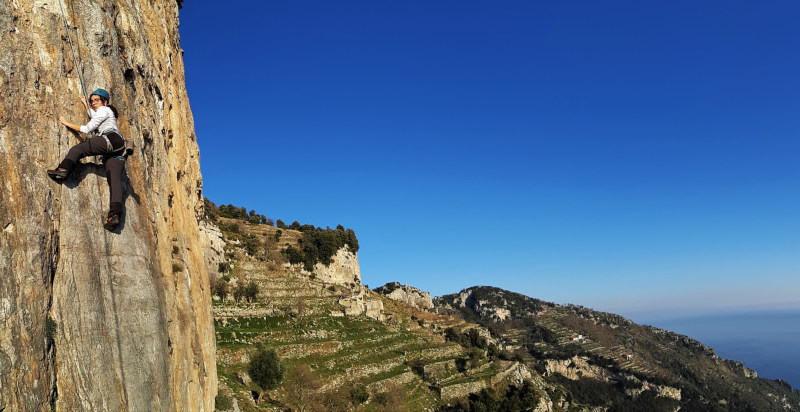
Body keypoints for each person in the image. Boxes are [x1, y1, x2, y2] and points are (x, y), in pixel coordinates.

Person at [47, 88, 127, 231]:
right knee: (114, 182)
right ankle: (114, 215)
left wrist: (66, 123)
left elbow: (87, 128)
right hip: (118, 148)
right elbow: (93, 115)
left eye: (96, 100)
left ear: (105, 101)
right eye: (92, 101)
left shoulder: (104, 109)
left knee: (78, 149)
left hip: (109, 139)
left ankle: (62, 170)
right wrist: (85, 104)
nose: (94, 103)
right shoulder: (104, 113)